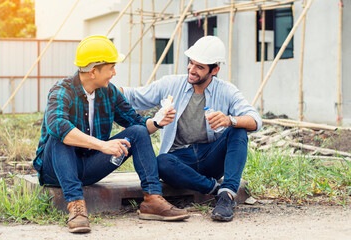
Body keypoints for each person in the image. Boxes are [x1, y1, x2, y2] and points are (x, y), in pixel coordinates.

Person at [33, 35, 189, 234]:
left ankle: (152, 199)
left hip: (89, 167)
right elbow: (57, 125)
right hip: (55, 169)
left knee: (139, 132)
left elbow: (138, 124)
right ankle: (76, 205)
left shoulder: (109, 92)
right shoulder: (62, 90)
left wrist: (157, 121)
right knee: (60, 136)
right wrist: (102, 145)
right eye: (111, 68)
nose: (114, 73)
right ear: (93, 71)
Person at [120, 36, 262, 222]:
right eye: (191, 63)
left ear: (215, 70)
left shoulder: (227, 90)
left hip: (210, 157)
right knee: (161, 162)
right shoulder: (171, 84)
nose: (191, 70)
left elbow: (256, 120)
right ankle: (216, 190)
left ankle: (226, 198)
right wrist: (102, 86)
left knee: (238, 130)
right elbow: (133, 96)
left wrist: (229, 119)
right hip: (180, 160)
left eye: (199, 67)